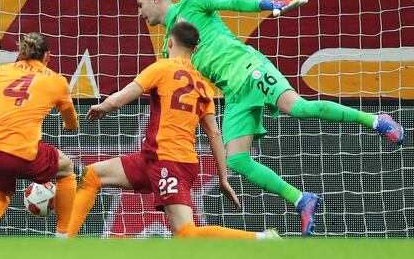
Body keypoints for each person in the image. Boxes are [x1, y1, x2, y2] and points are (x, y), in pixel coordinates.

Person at [134, 0, 406, 236]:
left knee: (298, 108)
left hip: (250, 68)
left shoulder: (194, 1)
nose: (140, 12)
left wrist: (269, 4)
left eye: (140, 5)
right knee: (237, 159)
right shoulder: (169, 49)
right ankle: (301, 199)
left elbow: (236, 2)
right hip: (234, 92)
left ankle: (376, 120)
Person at [69, 22, 279, 240]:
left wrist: (103, 106)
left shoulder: (162, 67)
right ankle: (64, 241)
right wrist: (223, 178)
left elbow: (126, 94)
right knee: (92, 174)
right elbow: (215, 134)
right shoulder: (202, 86)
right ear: (195, 50)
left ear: (169, 42)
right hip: (155, 158)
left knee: (186, 233)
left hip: (168, 161)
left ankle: (262, 239)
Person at [0, 33, 78, 237]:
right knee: (67, 168)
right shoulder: (57, 81)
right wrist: (69, 126)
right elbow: (71, 120)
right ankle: (63, 235)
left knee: (2, 188)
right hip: (24, 154)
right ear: (47, 56)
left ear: (21, 52)